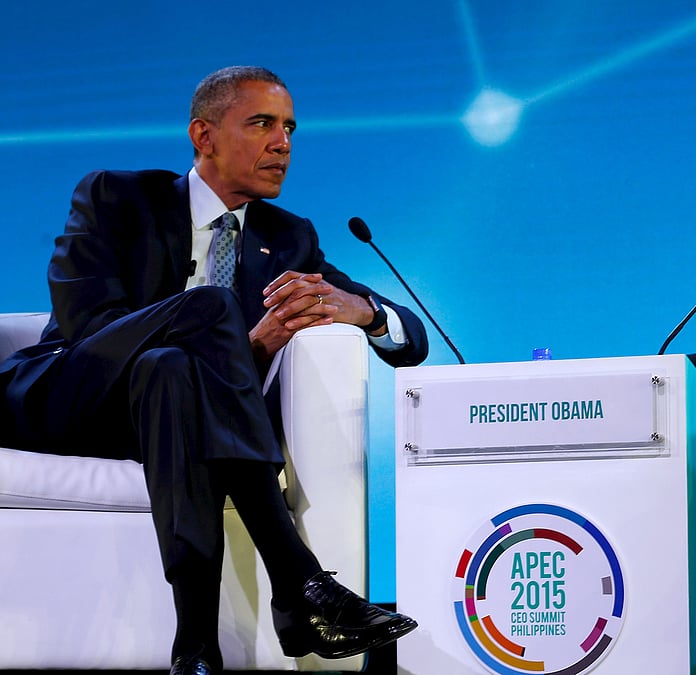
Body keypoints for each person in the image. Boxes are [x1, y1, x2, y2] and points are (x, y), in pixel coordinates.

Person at [0, 66, 429, 674]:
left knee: (171, 372)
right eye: (261, 124)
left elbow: (410, 344)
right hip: (66, 393)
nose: (282, 143)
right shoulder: (117, 197)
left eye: (289, 128)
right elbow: (88, 328)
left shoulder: (288, 239)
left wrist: (366, 313)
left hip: (162, 413)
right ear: (204, 135)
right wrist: (233, 337)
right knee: (207, 309)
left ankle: (197, 651)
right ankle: (297, 579)